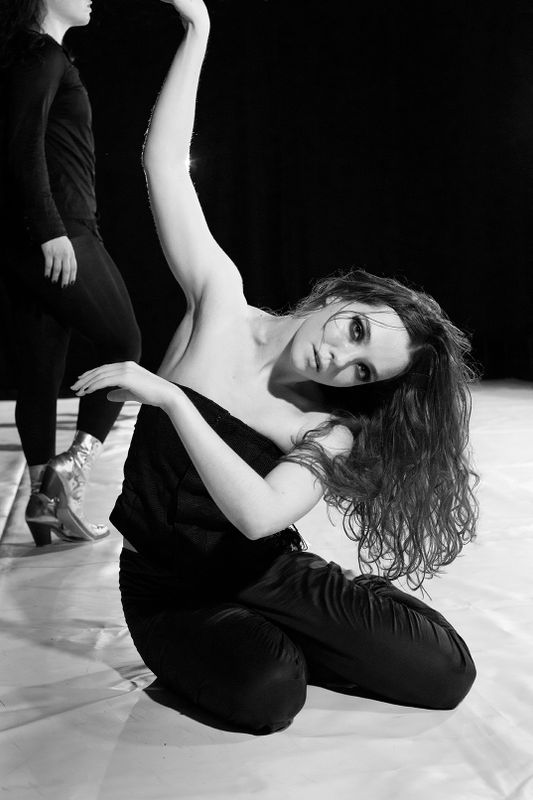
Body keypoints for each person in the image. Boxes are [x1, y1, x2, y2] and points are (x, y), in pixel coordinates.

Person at [73, 0, 478, 734]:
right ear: (344, 297)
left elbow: (258, 516)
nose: (340, 358)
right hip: (169, 589)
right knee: (269, 695)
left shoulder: (328, 426)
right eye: (356, 330)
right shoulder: (219, 301)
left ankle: (325, 617)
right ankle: (288, 642)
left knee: (446, 674)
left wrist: (172, 399)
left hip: (268, 571)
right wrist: (197, 30)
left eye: (363, 371)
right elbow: (163, 166)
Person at [0, 0, 142, 545]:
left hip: (28, 236)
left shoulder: (32, 57)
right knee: (123, 343)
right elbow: (22, 145)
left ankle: (45, 502)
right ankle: (71, 470)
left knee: (41, 369)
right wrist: (51, 228)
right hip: (61, 229)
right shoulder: (43, 54)